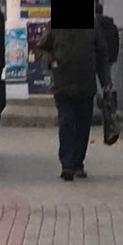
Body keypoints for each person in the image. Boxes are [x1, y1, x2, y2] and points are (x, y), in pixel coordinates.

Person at [38, 19, 112, 181]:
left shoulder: (92, 26)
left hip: (85, 86)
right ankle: (67, 165)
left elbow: (101, 56)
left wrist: (106, 82)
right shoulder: (55, 25)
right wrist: (51, 61)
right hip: (62, 85)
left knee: (83, 125)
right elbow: (41, 49)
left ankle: (78, 163)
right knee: (66, 122)